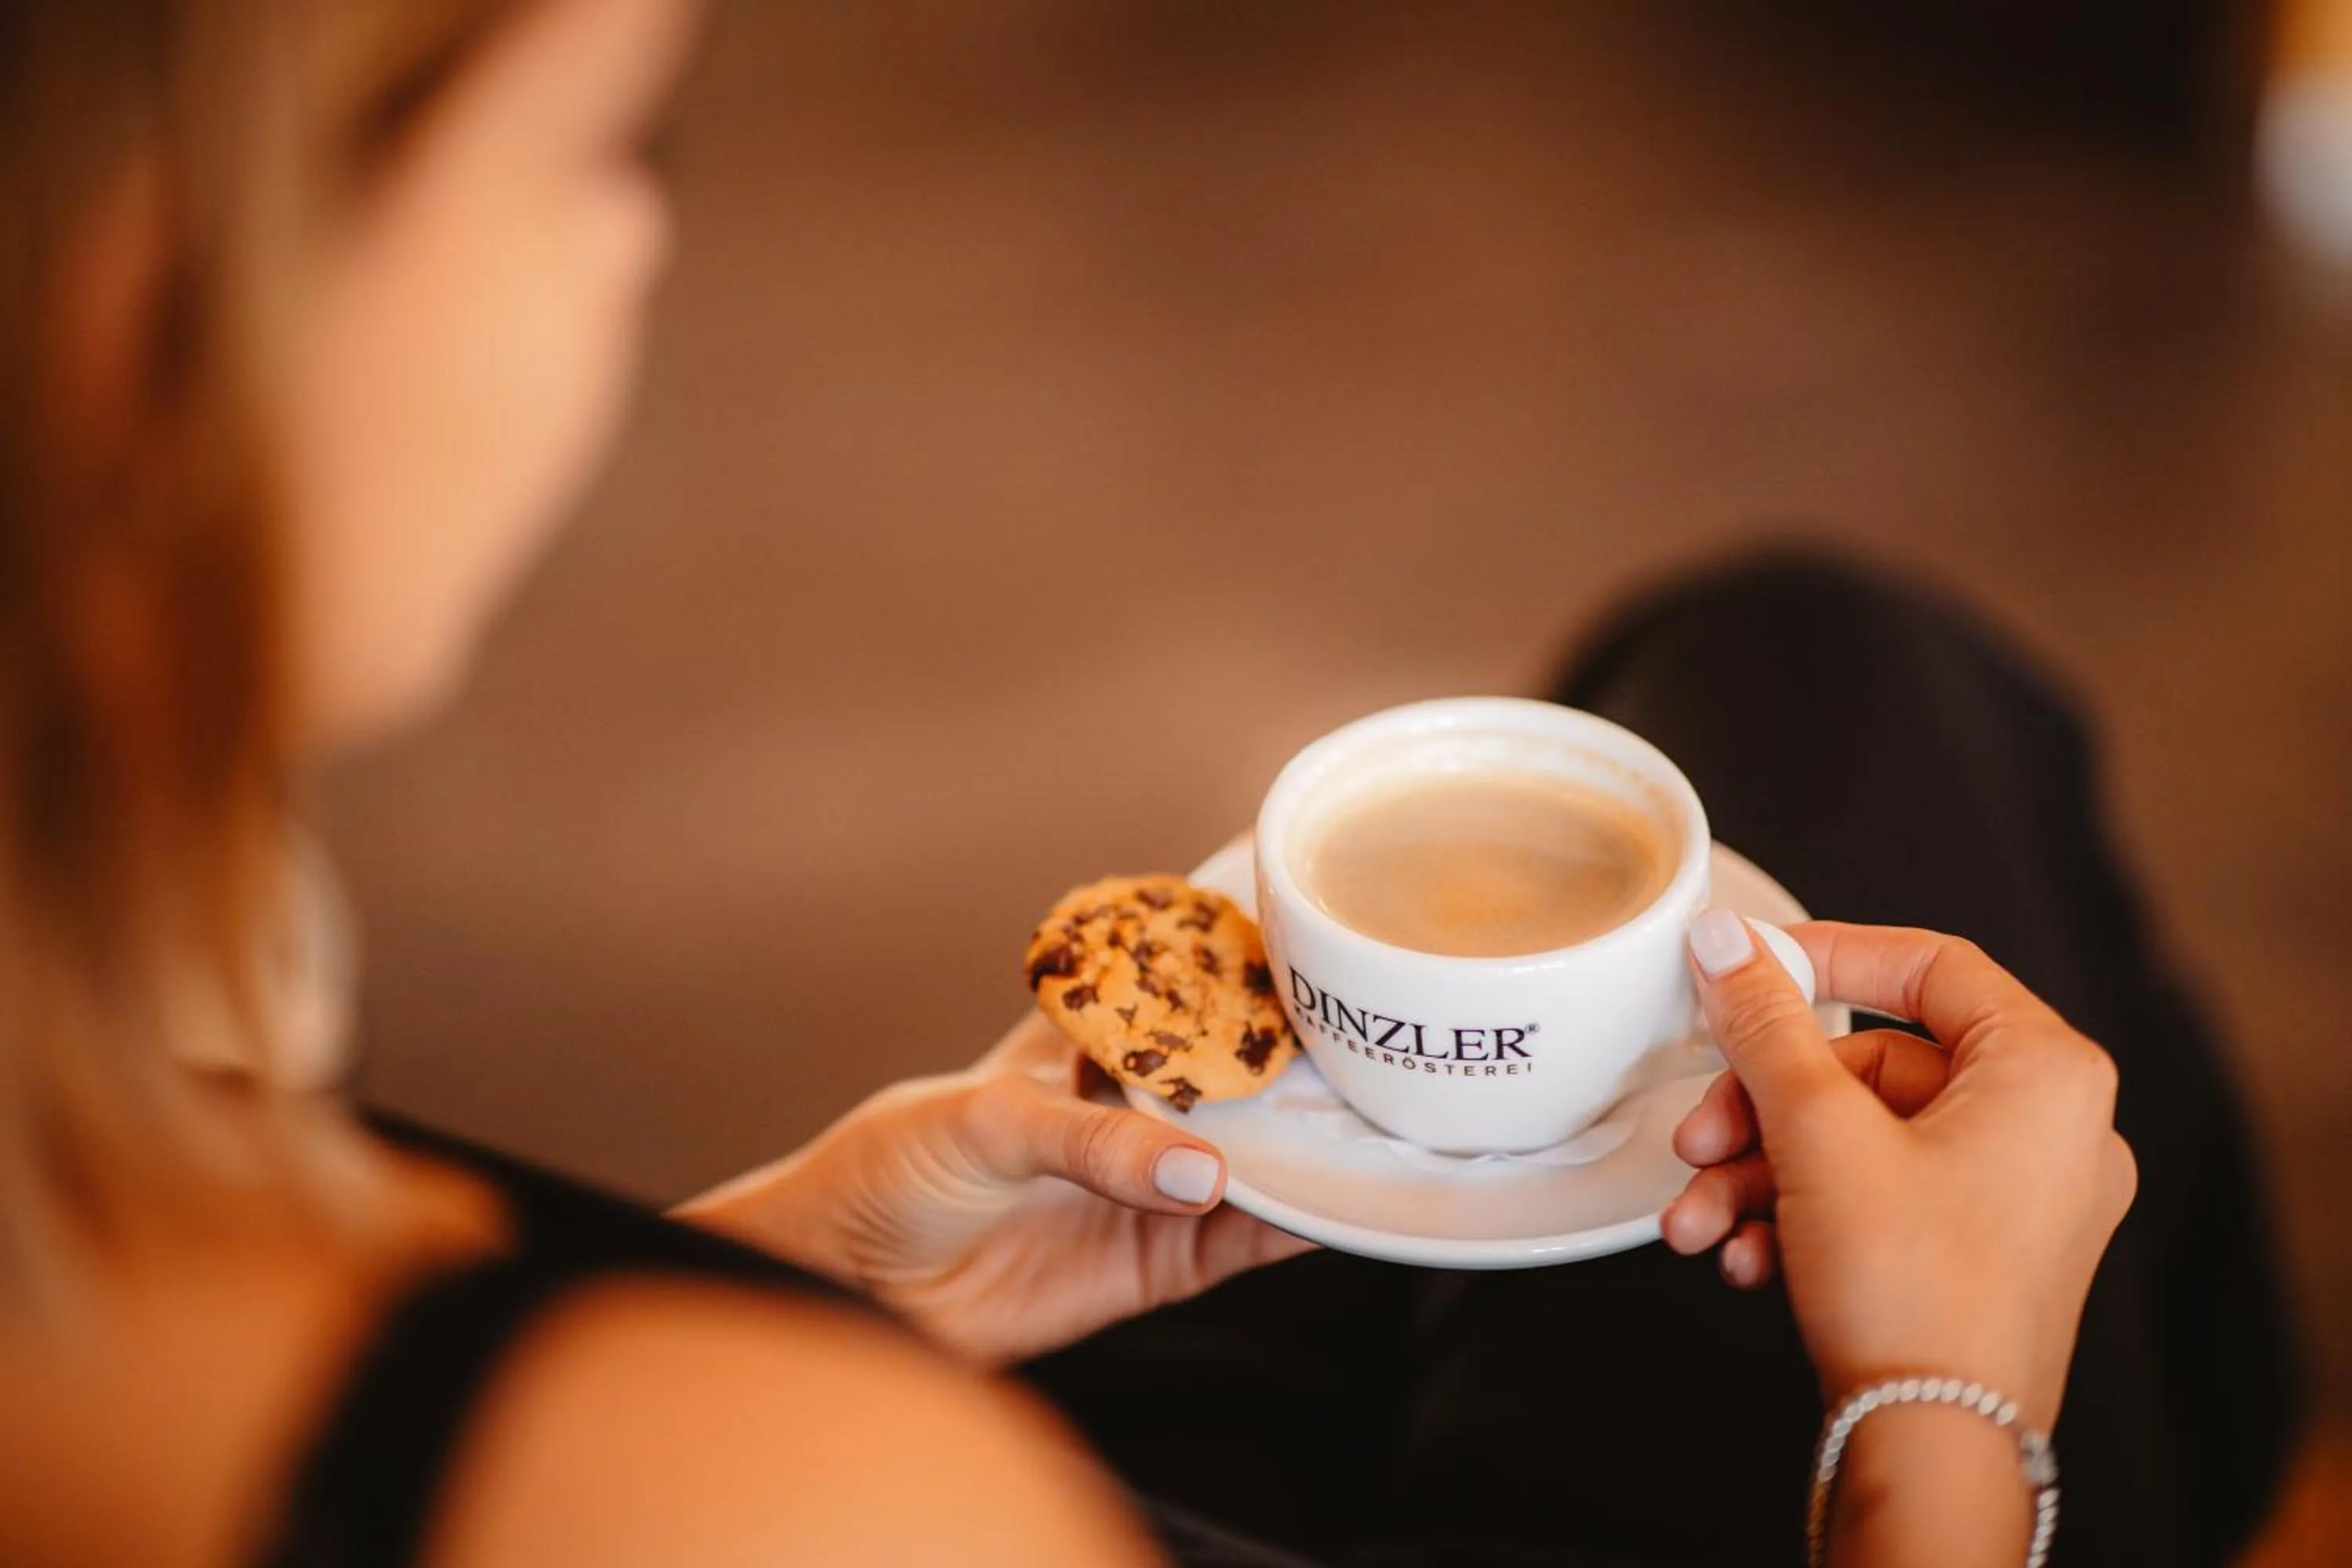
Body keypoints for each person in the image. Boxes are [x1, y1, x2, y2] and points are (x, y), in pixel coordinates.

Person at [0, 2, 2296, 1565]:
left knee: (1804, 650)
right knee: (1892, 742)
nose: (640, 243)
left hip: (930, 1374)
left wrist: (803, 1275)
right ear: (164, 302)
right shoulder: (768, 1491)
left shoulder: (107, 1060)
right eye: (602, 141)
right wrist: (1942, 1434)